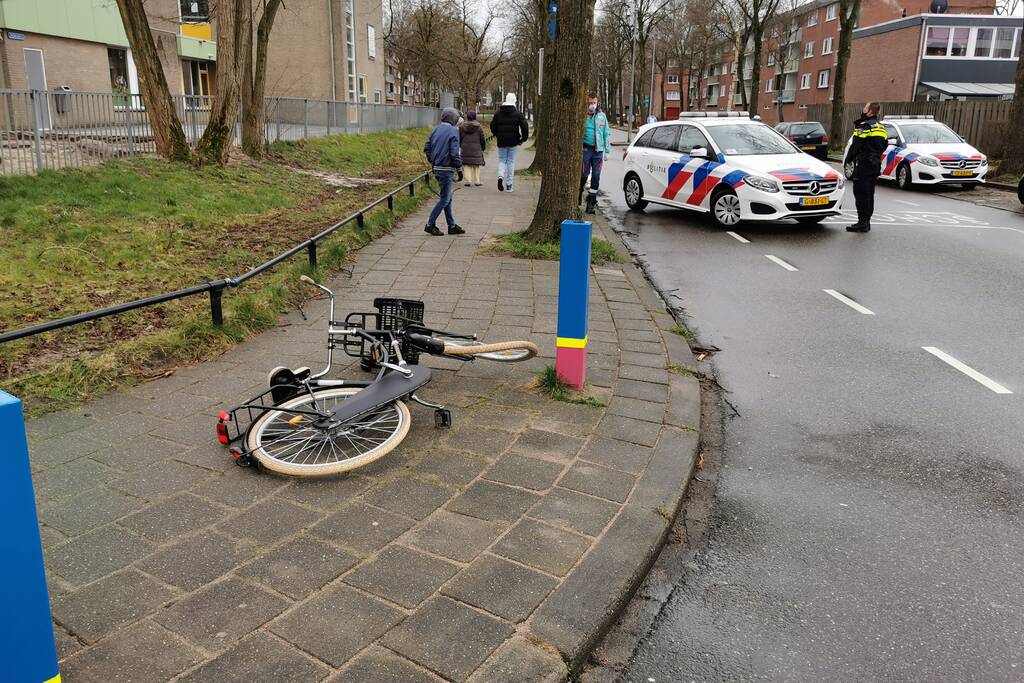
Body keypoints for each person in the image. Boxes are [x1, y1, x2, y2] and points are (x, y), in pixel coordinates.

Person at [845, 101, 888, 233]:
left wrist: (849, 159)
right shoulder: (881, 127)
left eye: (865, 108)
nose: (863, 109)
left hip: (863, 164)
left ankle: (862, 223)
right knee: (869, 193)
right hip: (875, 164)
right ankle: (867, 222)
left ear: (869, 112)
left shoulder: (864, 126)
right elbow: (884, 145)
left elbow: (856, 145)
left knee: (860, 193)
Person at [423, 107, 465, 236]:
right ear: (453, 119)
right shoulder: (453, 131)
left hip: (437, 168)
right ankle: (430, 224)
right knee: (445, 198)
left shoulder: (435, 129)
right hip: (447, 168)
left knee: (448, 198)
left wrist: (433, 160)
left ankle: (451, 225)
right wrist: (459, 168)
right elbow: (454, 152)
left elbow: (427, 147)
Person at [490, 93, 529, 192]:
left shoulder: (498, 113)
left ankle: (500, 177)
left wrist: (497, 134)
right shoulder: (518, 114)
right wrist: (523, 139)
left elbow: (492, 126)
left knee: (502, 160)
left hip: (501, 141)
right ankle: (509, 185)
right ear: (514, 101)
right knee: (511, 161)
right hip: (513, 141)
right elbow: (525, 127)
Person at [579, 93, 611, 214]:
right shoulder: (583, 116)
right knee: (584, 174)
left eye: (594, 102)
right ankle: (579, 191)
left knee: (596, 176)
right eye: (590, 103)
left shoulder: (602, 116)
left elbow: (606, 133)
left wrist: (607, 151)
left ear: (597, 103)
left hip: (598, 151)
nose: (592, 105)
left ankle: (591, 202)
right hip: (586, 149)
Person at [459, 111, 486, 187]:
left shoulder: (462, 126)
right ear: (475, 117)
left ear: (467, 117)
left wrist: (461, 145)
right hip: (476, 148)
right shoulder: (479, 126)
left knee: (466, 164)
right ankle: (477, 181)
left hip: (465, 148)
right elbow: (482, 138)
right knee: (476, 165)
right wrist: (483, 147)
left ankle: (468, 180)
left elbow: (459, 137)